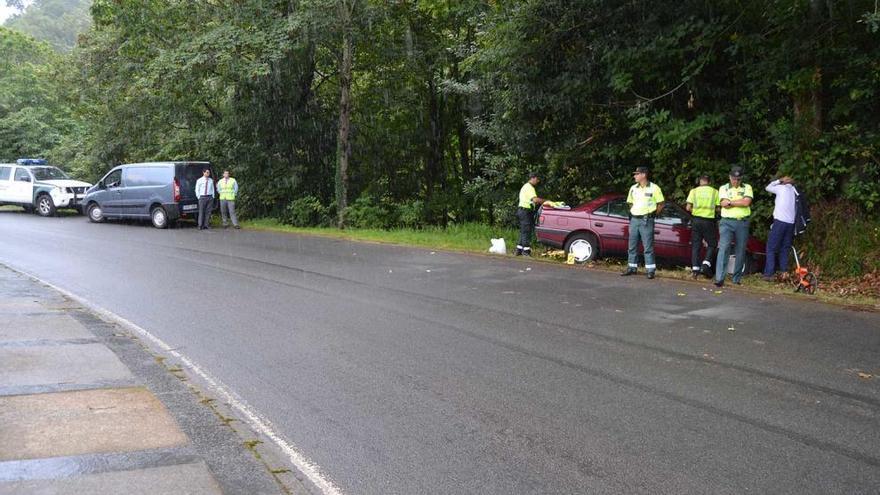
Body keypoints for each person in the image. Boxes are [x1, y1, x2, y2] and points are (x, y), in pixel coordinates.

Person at [621, 166, 664, 279]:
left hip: (646, 219)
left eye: (637, 174)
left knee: (648, 247)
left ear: (643, 175)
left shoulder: (654, 188)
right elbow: (630, 202)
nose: (634, 176)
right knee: (632, 245)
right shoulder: (633, 188)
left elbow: (661, 203)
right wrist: (634, 211)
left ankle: (650, 270)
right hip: (634, 219)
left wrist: (653, 215)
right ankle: (631, 267)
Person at [714, 167, 753, 287]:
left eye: (738, 179)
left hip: (742, 222)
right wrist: (737, 202)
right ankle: (720, 278)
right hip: (726, 222)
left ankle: (736, 278)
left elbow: (746, 202)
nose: (735, 181)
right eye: (734, 179)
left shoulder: (747, 187)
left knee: (740, 250)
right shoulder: (723, 188)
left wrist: (731, 202)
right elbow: (724, 204)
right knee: (724, 248)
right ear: (729, 177)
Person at [762, 175, 796, 281]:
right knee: (784, 248)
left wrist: (779, 180)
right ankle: (784, 272)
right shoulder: (794, 191)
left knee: (771, 247)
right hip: (791, 223)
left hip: (780, 222)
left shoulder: (781, 188)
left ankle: (769, 274)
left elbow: (768, 187)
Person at [685, 174, 719, 279]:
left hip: (696, 220)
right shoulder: (715, 192)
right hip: (708, 221)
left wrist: (695, 211)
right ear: (709, 182)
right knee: (712, 244)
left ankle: (695, 270)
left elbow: (688, 207)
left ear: (700, 181)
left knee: (696, 244)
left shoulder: (693, 191)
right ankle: (705, 264)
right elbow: (718, 208)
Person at [516, 172, 545, 256]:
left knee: (523, 231)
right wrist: (546, 201)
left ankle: (519, 250)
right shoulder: (529, 187)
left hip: (523, 211)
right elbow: (535, 200)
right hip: (525, 211)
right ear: (533, 178)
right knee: (526, 231)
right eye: (537, 179)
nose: (538, 181)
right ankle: (526, 251)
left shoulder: (526, 186)